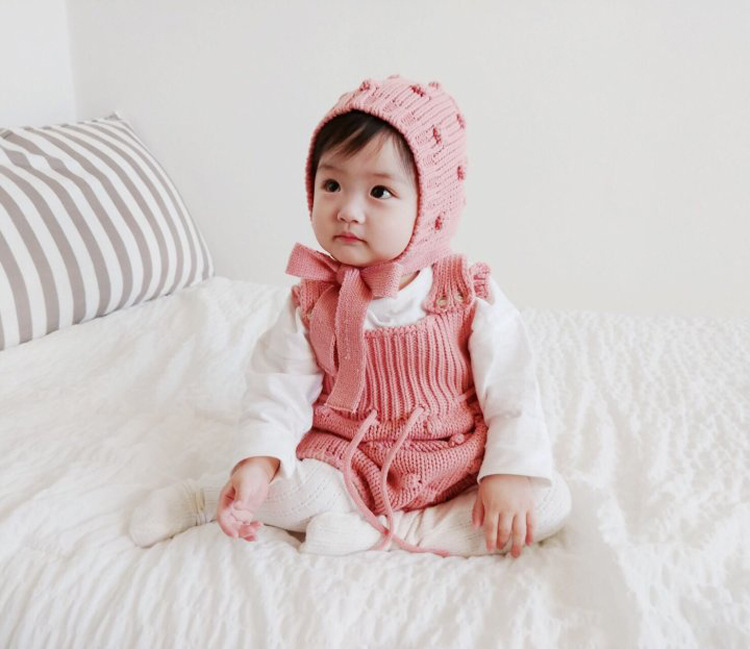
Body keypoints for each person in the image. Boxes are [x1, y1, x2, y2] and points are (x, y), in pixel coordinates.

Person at [129, 74, 572, 558]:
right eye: (333, 185)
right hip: (350, 456)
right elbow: (278, 388)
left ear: (431, 206)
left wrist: (508, 472)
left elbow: (512, 389)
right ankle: (205, 498)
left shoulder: (466, 291)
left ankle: (387, 532)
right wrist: (258, 461)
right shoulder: (314, 300)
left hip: (453, 454)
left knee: (547, 504)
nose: (348, 210)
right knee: (290, 492)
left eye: (379, 192)